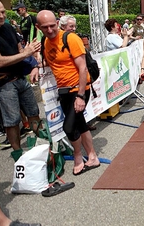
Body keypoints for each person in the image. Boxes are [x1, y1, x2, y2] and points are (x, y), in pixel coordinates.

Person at [36, 10, 100, 176]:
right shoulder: (45, 41)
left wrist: (80, 96)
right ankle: (92, 156)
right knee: (80, 123)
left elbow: (83, 67)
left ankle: (77, 155)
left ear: (57, 23)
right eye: (45, 27)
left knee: (69, 127)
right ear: (38, 27)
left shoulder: (70, 38)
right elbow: (49, 62)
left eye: (52, 26)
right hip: (63, 90)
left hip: (78, 88)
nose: (50, 30)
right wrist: (33, 66)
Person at [0, 0, 41, 157]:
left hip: (21, 79)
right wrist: (26, 54)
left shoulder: (8, 27)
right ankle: (18, 156)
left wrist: (34, 64)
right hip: (4, 84)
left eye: (3, 12)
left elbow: (22, 50)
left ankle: (42, 145)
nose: (1, 16)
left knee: (34, 112)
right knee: (12, 121)